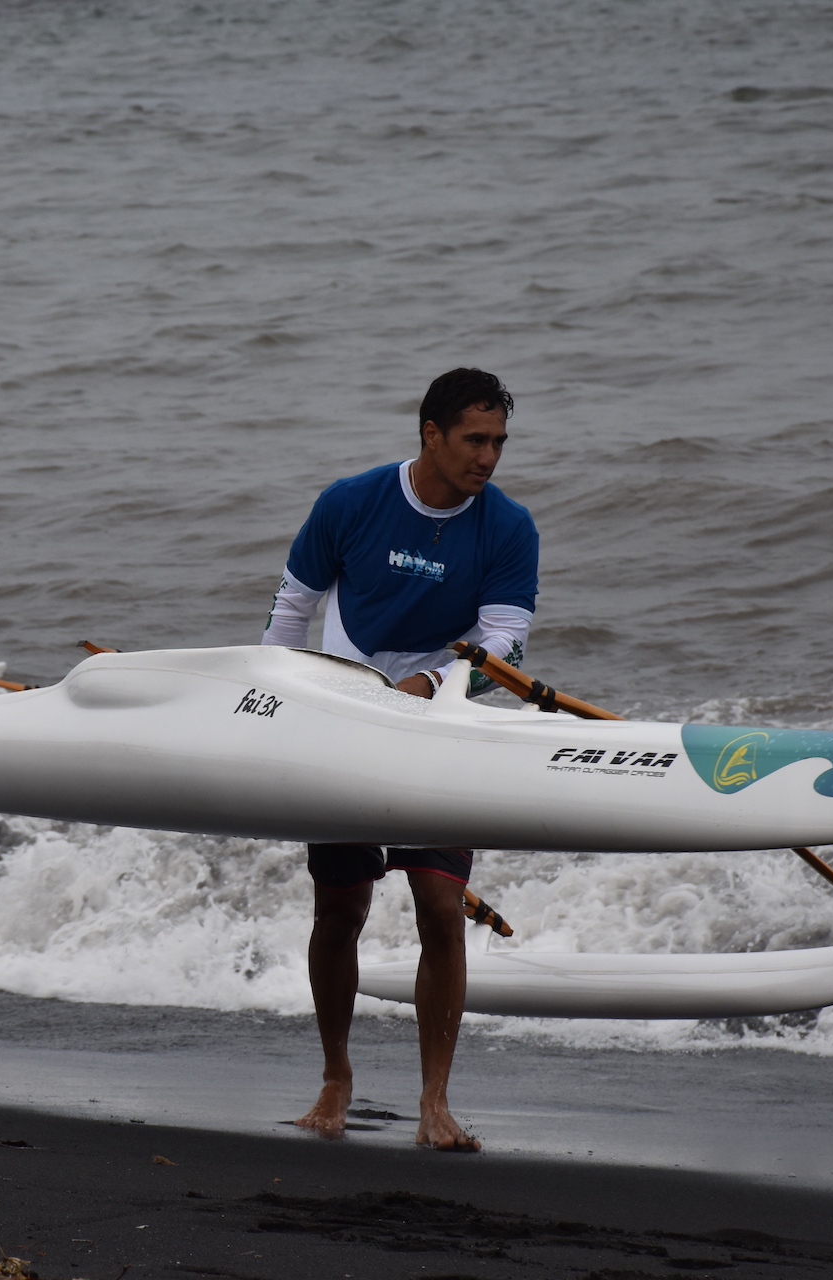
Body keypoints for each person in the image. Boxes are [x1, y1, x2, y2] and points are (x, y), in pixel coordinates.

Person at [261, 367, 538, 1152]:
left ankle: (435, 1100)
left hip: (438, 727)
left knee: (441, 909)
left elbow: (505, 646)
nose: (488, 457)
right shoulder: (350, 502)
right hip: (344, 722)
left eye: (498, 443)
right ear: (431, 435)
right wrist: (276, 706)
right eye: (474, 440)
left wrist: (427, 684)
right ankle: (336, 1078)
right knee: (341, 910)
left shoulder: (509, 528)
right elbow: (290, 615)